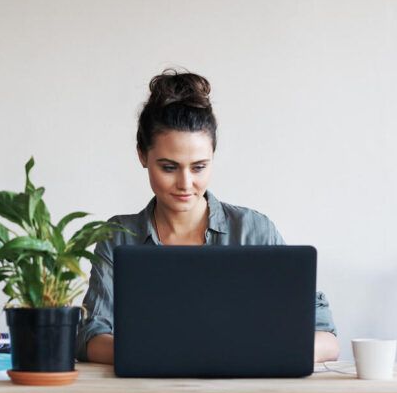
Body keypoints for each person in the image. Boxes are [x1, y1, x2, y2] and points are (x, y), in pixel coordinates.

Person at [76, 69, 339, 364]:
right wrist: (165, 355)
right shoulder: (118, 236)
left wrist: (256, 353)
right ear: (142, 155)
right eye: (168, 167)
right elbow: (91, 337)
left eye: (199, 167)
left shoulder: (253, 231)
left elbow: (326, 338)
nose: (186, 184)